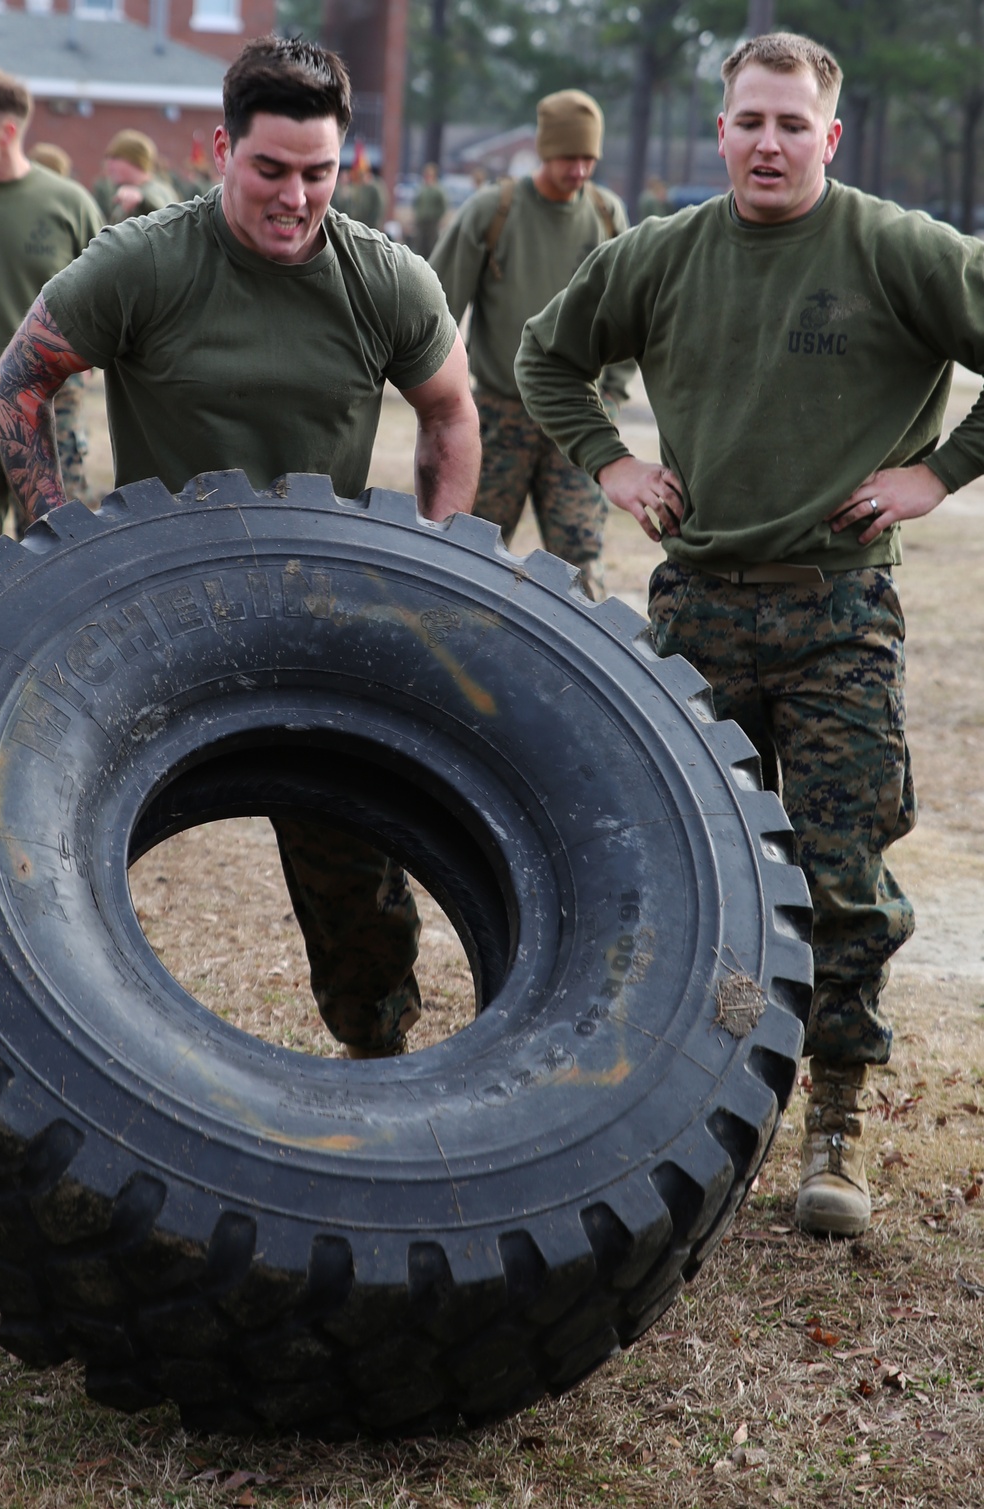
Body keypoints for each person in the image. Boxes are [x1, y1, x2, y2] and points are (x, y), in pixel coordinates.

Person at [515, 31, 984, 1237]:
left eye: (791, 124)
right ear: (718, 131)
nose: (767, 143)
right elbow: (545, 355)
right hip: (697, 609)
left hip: (837, 613)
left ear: (829, 136)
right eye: (748, 122)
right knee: (690, 876)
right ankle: (696, 1116)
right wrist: (610, 461)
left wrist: (939, 472)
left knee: (839, 879)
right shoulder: (663, 255)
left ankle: (833, 1126)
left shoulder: (894, 250)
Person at [0, 35, 480, 1060]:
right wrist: (55, 538)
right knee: (44, 860)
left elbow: (449, 413)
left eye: (318, 173)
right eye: (270, 169)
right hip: (149, 614)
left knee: (356, 874)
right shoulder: (144, 264)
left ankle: (379, 1058)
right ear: (222, 147)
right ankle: (51, 1057)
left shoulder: (383, 278)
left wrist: (441, 556)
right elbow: (21, 381)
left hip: (315, 615)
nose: (294, 198)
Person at [430, 89, 631, 602]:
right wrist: (441, 397)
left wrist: (610, 393)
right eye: (569, 157)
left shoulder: (608, 218)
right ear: (544, 151)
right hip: (501, 415)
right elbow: (436, 308)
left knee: (582, 563)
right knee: (469, 554)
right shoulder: (494, 213)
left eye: (589, 159)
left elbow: (632, 315)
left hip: (580, 420)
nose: (580, 170)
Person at [0, 68, 103, 541]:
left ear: (7, 131)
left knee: (57, 544)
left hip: (48, 401)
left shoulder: (68, 205)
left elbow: (103, 298)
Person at [100, 129, 176, 222]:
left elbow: (166, 216)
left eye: (116, 158)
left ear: (136, 161)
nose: (109, 164)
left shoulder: (157, 191)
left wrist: (142, 200)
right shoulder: (126, 191)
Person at [412, 161, 448, 258]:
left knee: (431, 246)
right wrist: (418, 214)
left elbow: (443, 206)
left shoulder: (438, 190)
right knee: (420, 245)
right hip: (421, 221)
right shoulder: (422, 189)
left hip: (432, 222)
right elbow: (416, 203)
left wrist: (437, 216)